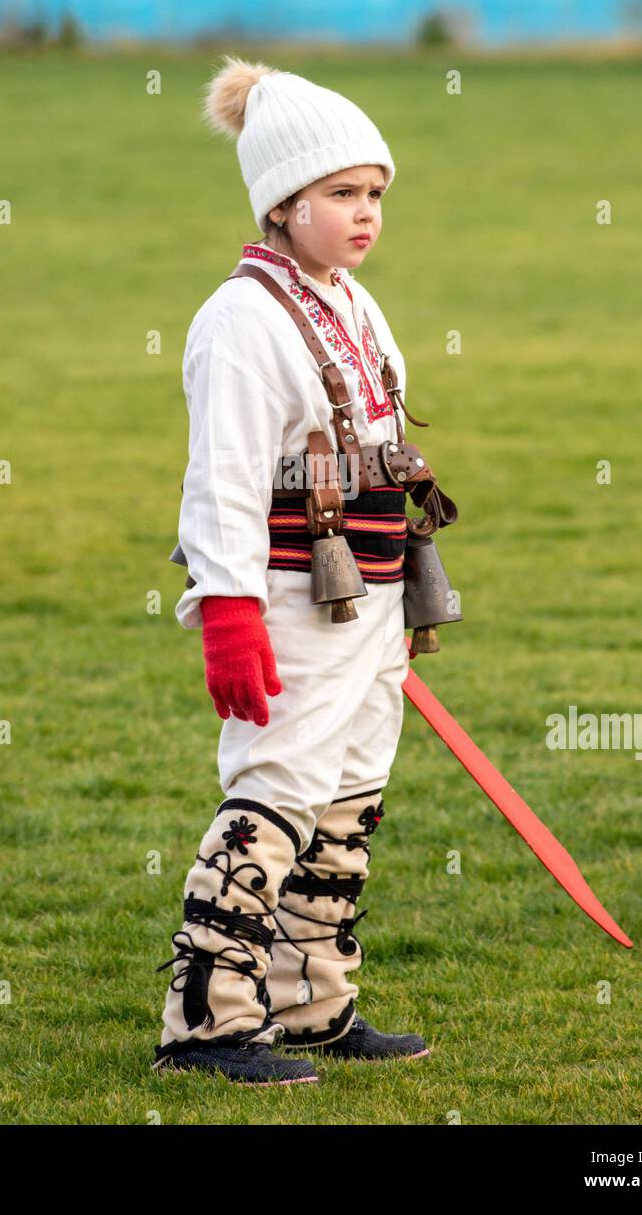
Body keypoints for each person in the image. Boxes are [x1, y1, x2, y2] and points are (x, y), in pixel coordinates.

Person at [152, 56, 435, 1086]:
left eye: (373, 194)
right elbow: (221, 480)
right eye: (340, 195)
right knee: (277, 789)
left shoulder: (353, 304)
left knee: (350, 794)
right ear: (281, 203)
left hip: (371, 596)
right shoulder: (240, 321)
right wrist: (228, 610)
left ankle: (312, 1002)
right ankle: (207, 1019)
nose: (364, 214)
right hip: (287, 602)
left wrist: (405, 593)